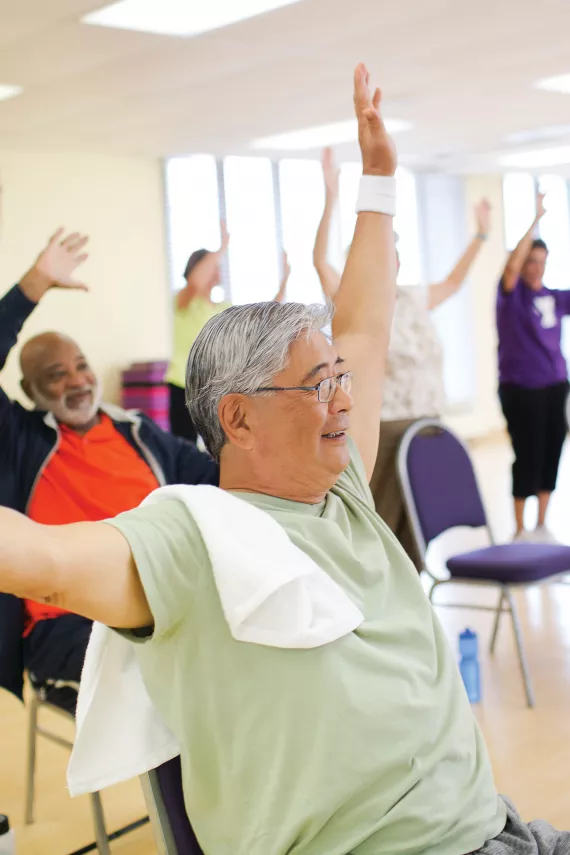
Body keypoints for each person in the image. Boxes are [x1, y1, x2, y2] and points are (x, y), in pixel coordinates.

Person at [0, 65, 566, 855]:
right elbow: (43, 557)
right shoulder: (196, 535)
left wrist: (378, 181)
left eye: (340, 379)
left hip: (500, 829)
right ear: (238, 416)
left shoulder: (343, 490)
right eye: (317, 383)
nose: (344, 396)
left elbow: (364, 320)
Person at [0, 231, 218, 701]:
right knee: (186, 681)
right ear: (30, 388)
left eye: (81, 365)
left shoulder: (136, 430)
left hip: (161, 601)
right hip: (72, 625)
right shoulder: (17, 440)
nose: (78, 381)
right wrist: (34, 285)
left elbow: (216, 478)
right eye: (56, 375)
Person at [314, 146, 492, 568]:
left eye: (392, 253)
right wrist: (330, 198)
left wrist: (481, 235)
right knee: (383, 532)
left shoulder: (411, 298)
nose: (387, 260)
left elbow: (452, 281)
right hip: (386, 432)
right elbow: (319, 260)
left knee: (417, 538)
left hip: (430, 428)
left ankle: (412, 606)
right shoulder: (353, 305)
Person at [166, 224, 291, 442]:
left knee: (217, 445)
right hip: (181, 386)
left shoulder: (222, 308)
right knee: (185, 445)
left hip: (213, 387)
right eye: (214, 266)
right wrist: (221, 248)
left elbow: (263, 317)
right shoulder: (184, 301)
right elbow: (195, 281)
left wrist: (285, 280)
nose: (218, 270)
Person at [498, 192, 570, 543]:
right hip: (520, 388)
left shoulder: (555, 297)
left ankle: (542, 523)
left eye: (541, 261)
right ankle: (519, 527)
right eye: (531, 260)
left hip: (555, 385)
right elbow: (510, 268)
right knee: (526, 453)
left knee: (551, 450)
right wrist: (536, 217)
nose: (535, 267)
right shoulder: (512, 297)